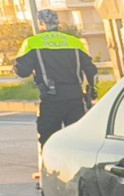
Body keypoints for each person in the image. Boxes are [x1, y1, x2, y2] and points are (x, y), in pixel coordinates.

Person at [13, 9, 98, 146]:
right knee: (79, 140)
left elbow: (22, 72)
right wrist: (93, 91)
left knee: (49, 141)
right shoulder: (75, 42)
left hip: (51, 100)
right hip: (75, 99)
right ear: (58, 23)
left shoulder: (32, 43)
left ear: (40, 23)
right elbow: (92, 71)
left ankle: (51, 167)